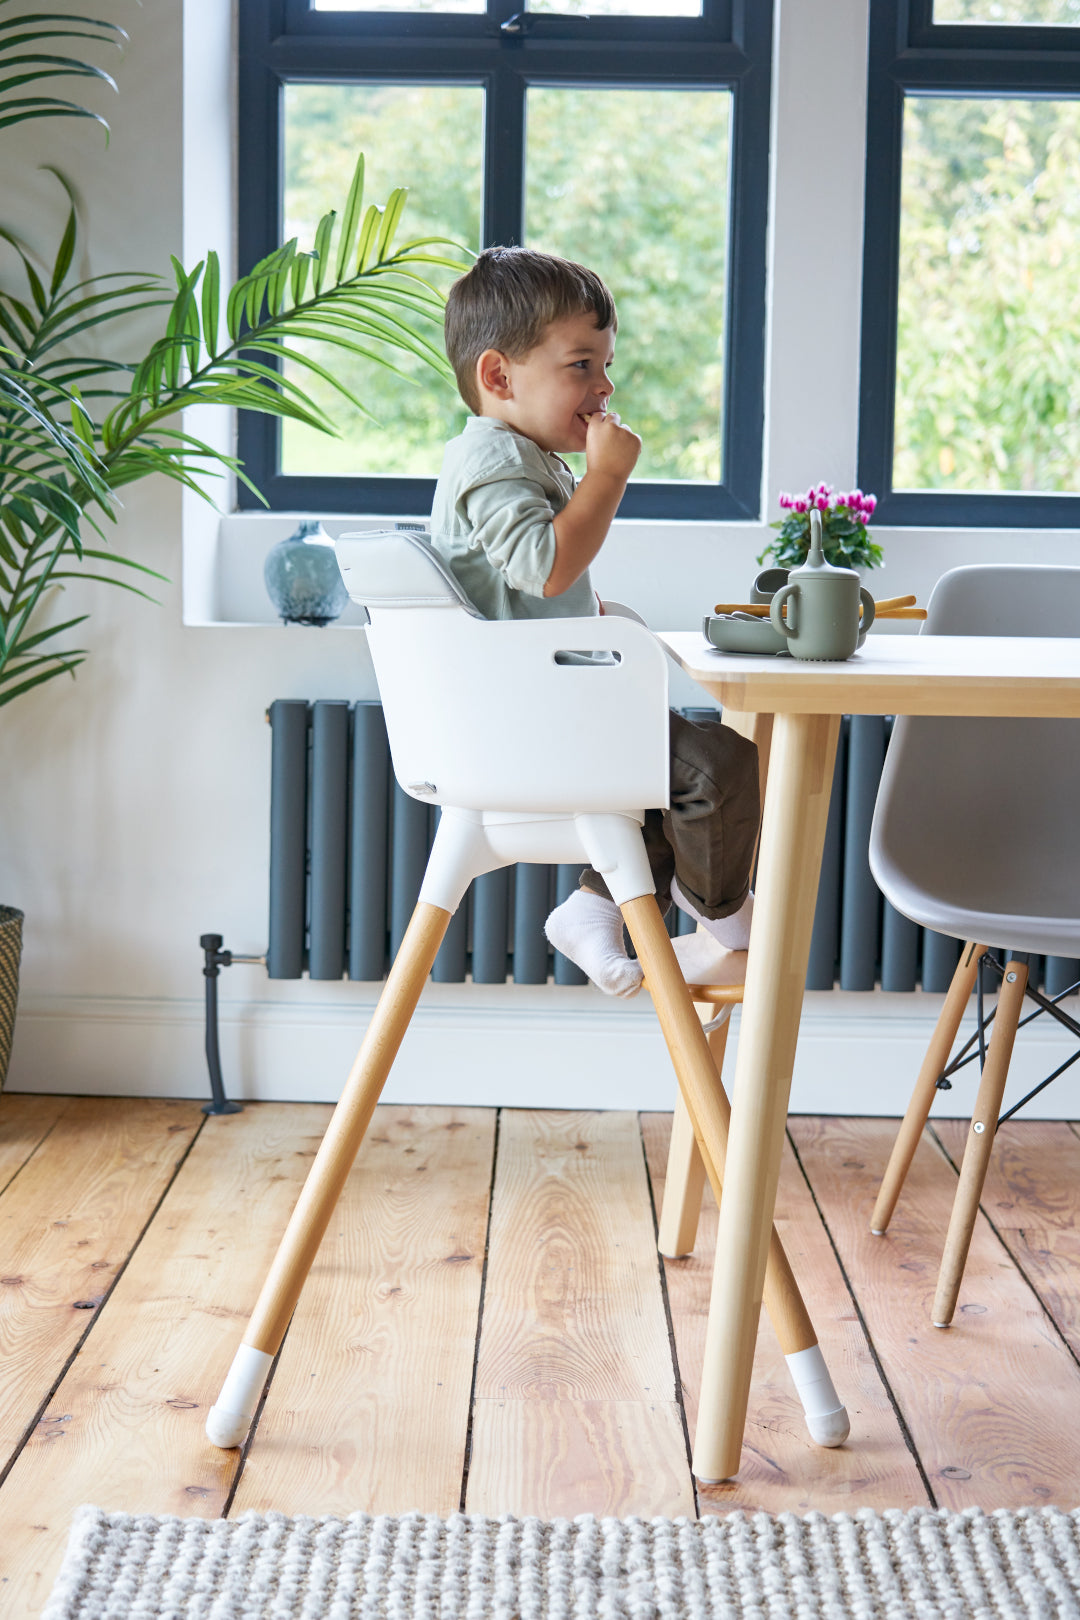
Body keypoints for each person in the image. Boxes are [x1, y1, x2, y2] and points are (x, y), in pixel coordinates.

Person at [429, 245, 759, 997]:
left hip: (541, 709)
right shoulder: (493, 460)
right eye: (581, 365)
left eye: (606, 366)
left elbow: (529, 590)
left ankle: (592, 909)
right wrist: (607, 476)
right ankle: (721, 911)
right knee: (717, 768)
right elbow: (544, 567)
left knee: (666, 783)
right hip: (529, 723)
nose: (605, 386)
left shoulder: (516, 456)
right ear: (498, 376)